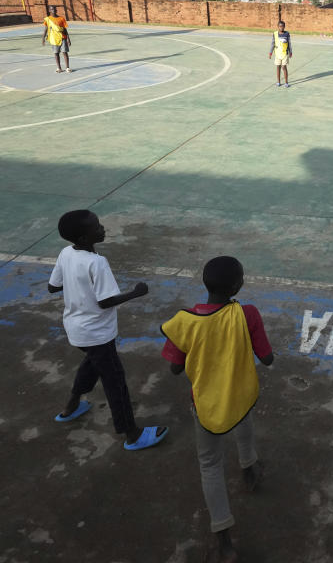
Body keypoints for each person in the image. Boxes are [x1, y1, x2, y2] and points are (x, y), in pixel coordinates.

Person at [161, 256, 274, 563]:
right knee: (244, 421)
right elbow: (267, 358)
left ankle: (224, 540)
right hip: (240, 393)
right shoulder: (246, 313)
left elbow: (174, 369)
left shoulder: (185, 321)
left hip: (206, 404)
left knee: (210, 464)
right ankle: (249, 468)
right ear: (238, 285)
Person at [48, 210, 166, 451]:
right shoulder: (97, 262)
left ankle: (71, 406)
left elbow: (53, 286)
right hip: (96, 332)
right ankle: (132, 434)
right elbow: (105, 301)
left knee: (92, 363)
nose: (102, 228)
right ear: (83, 238)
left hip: (76, 328)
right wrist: (136, 292)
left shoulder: (66, 253)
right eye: (96, 227)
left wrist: (79, 292)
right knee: (115, 382)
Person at [41, 5, 71, 73]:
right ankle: (59, 68)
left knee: (65, 52)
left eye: (54, 9)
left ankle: (67, 67)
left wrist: (68, 39)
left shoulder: (61, 18)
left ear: (56, 10)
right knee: (56, 53)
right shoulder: (47, 19)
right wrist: (43, 38)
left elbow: (65, 29)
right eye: (51, 9)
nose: (53, 10)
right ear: (49, 10)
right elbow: (46, 29)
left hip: (63, 37)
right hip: (53, 39)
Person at [268, 20, 292, 88]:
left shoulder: (287, 34)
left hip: (284, 53)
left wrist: (290, 52)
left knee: (284, 67)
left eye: (282, 26)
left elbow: (289, 43)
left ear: (284, 27)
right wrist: (270, 53)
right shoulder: (275, 34)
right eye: (280, 26)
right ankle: (278, 82)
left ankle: (286, 82)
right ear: (278, 27)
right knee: (278, 67)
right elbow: (273, 43)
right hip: (277, 54)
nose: (281, 28)